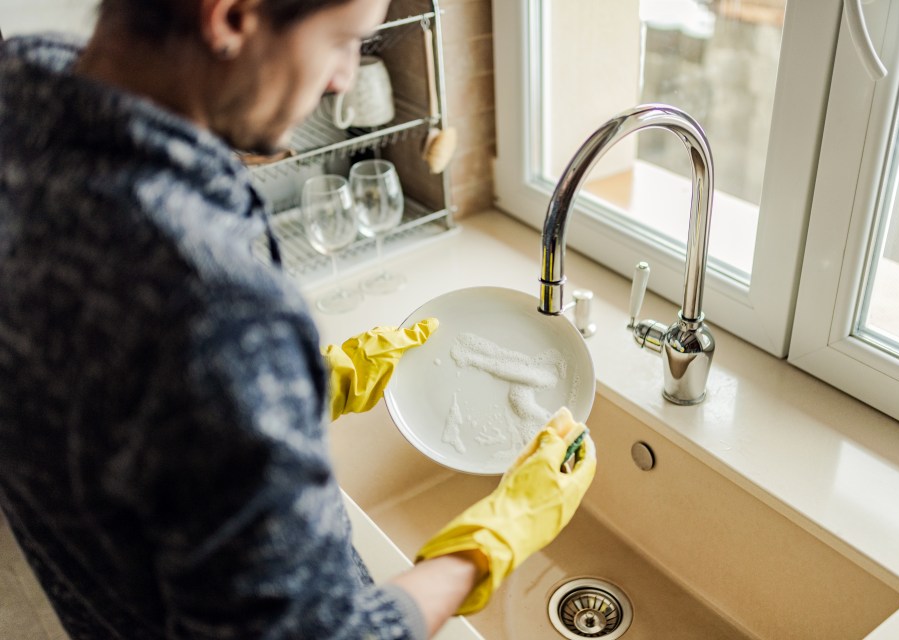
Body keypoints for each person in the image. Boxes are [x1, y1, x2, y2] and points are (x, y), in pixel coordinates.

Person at [0, 1, 597, 638]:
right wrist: (488, 543)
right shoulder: (212, 302)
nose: (344, 76)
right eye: (342, 40)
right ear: (229, 16)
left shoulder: (21, 96)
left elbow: (113, 404)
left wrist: (292, 388)